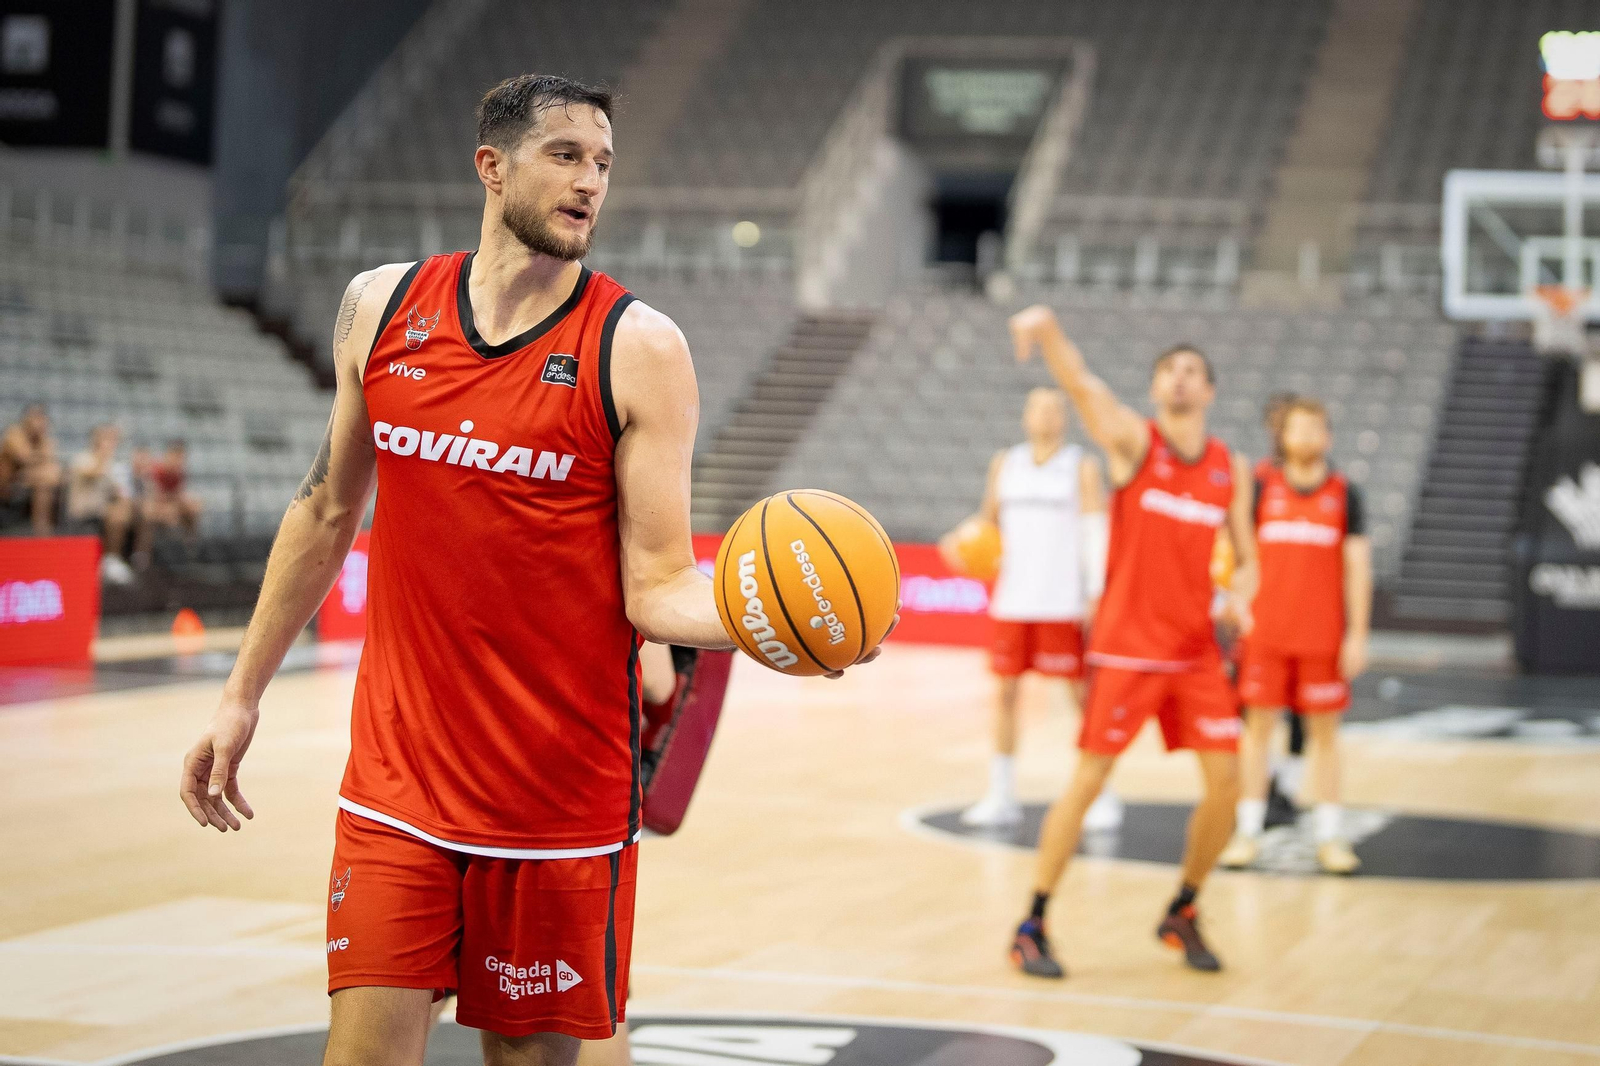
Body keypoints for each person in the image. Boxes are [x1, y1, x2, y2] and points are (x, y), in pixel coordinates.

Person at [177, 74, 882, 1066]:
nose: (590, 180)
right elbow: (325, 509)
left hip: (558, 806)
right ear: (491, 166)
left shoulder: (640, 349)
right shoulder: (379, 309)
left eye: (602, 163)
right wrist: (241, 692)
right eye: (564, 155)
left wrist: (775, 623)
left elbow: (657, 584)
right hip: (397, 786)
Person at [1003, 307, 1256, 979]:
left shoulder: (1232, 466)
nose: (1180, 379)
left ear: (1209, 392)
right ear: (1155, 389)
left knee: (1228, 785)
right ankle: (1032, 922)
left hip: (1197, 650)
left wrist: (1242, 595)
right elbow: (1084, 386)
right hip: (1126, 649)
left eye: (1192, 372)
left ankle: (1185, 907)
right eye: (1170, 370)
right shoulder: (1134, 446)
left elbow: (1248, 558)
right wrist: (1050, 331)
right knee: (1087, 782)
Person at [938, 387, 1116, 829]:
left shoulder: (1081, 466)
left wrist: (1095, 591)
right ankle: (1001, 794)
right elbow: (988, 525)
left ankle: (1101, 794)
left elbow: (1096, 528)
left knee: (1082, 698)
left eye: (1054, 408)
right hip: (1013, 600)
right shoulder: (1007, 463)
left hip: (1063, 602)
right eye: (1038, 407)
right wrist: (960, 544)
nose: (1046, 414)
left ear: (1065, 418)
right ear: (1025, 417)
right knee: (1004, 695)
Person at [1222, 397, 1371, 875]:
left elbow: (1357, 569)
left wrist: (1357, 634)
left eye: (1314, 429)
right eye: (1297, 429)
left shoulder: (1345, 494)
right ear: (1283, 437)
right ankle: (1247, 830)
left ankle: (1329, 836)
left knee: (1326, 737)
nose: (1305, 437)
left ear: (1327, 437)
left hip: (1323, 638)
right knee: (1256, 733)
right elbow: (1238, 555)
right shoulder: (1263, 486)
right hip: (1266, 634)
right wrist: (1236, 601)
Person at [1255, 393, 1305, 825]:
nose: (1281, 428)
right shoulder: (1258, 481)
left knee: (1302, 710)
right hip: (1264, 619)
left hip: (1309, 619)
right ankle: (1263, 781)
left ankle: (1289, 784)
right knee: (1254, 708)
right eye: (1276, 419)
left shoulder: (1326, 484)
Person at [65, 423, 138, 584]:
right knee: (116, 513)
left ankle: (116, 559)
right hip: (81, 515)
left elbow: (120, 491)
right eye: (106, 440)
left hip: (100, 514)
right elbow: (91, 473)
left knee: (124, 511)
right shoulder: (83, 458)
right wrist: (105, 457)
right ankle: (105, 560)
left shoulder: (111, 465)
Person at [0, 403, 62, 535]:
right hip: (7, 485)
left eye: (41, 418)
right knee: (47, 478)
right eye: (35, 418)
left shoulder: (45, 440)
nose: (39, 423)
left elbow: (51, 463)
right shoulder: (14, 434)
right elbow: (24, 458)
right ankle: (41, 530)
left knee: (47, 482)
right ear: (26, 419)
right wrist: (42, 460)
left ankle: (42, 530)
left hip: (30, 483)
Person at [143, 439, 202, 545]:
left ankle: (190, 546)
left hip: (170, 506)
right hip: (154, 507)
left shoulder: (178, 473)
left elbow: (179, 494)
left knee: (193, 507)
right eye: (176, 456)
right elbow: (154, 496)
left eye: (181, 457)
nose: (179, 461)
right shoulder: (156, 470)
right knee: (162, 513)